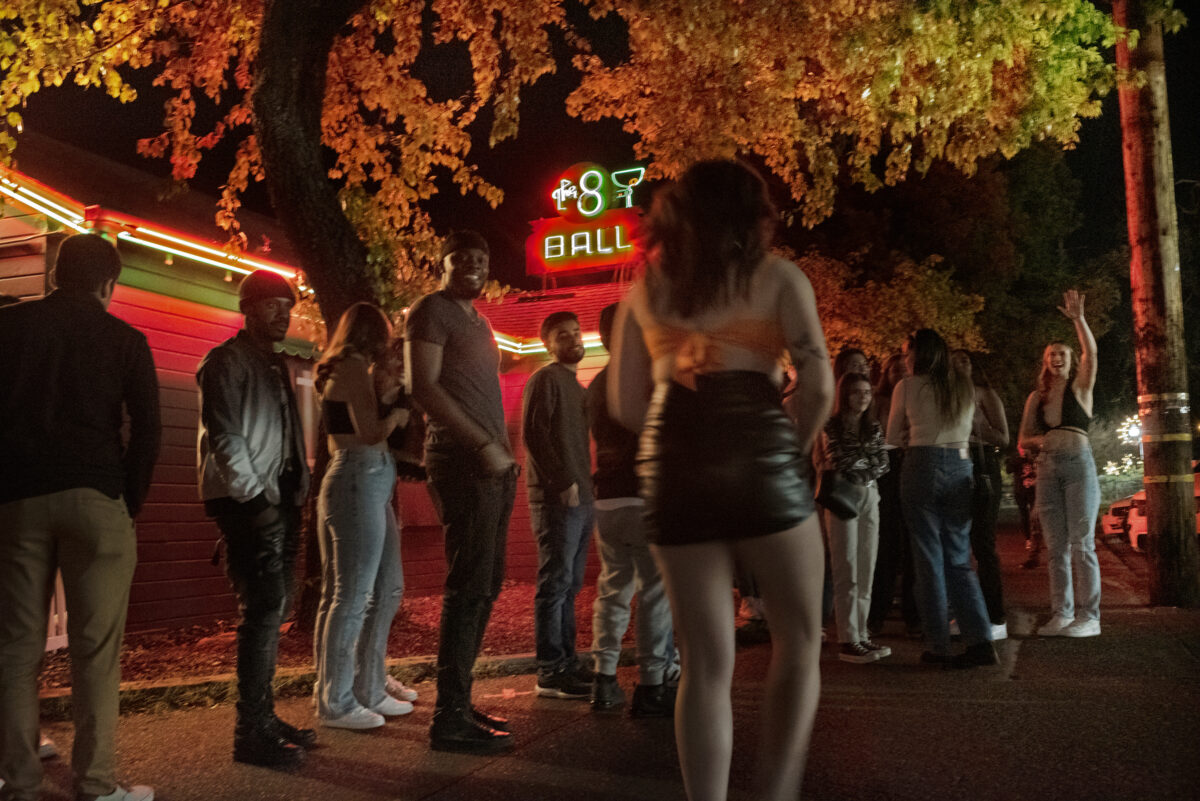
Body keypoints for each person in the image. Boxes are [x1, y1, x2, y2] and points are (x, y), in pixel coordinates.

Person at [609, 159, 833, 801]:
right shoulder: (779, 277)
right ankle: (777, 790)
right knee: (799, 638)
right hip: (759, 442)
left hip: (672, 454)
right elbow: (817, 380)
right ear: (752, 214)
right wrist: (791, 449)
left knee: (705, 663)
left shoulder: (647, 289)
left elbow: (626, 403)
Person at [0, 233, 161, 801]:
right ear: (107, 284)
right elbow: (147, 428)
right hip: (96, 497)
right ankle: (95, 784)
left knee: (16, 646)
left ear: (54, 276)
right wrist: (128, 499)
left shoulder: (9, 329)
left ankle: (18, 782)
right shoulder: (125, 339)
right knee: (95, 649)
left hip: (18, 500)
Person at [196, 269, 313, 768]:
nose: (283, 312)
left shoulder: (273, 364)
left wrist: (296, 489)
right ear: (247, 307)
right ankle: (251, 731)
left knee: (273, 609)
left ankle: (264, 719)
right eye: (272, 304)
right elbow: (225, 435)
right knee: (262, 610)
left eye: (288, 305)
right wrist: (253, 500)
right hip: (251, 503)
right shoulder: (226, 361)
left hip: (280, 499)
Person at [407, 230, 516, 754]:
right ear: (443, 264)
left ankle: (460, 700)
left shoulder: (481, 321)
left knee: (486, 583)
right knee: (468, 582)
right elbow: (423, 386)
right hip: (461, 460)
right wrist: (481, 445)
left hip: (493, 463)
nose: (472, 264)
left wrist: (503, 453)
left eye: (481, 257)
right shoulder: (431, 310)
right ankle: (447, 717)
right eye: (461, 258)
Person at [312, 303, 411, 730]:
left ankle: (366, 685)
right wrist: (397, 416)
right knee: (351, 597)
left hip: (364, 478)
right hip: (359, 477)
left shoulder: (340, 370)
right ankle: (336, 700)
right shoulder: (351, 369)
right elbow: (368, 432)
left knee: (383, 589)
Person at [588, 303, 678, 716]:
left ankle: (604, 677)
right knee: (655, 593)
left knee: (613, 588)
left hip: (607, 498)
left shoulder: (597, 384)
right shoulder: (647, 380)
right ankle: (651, 683)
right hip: (644, 494)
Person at [886, 329, 995, 669]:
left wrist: (912, 434)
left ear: (918, 355)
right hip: (960, 466)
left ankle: (938, 646)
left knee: (928, 560)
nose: (905, 358)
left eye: (908, 352)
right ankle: (980, 641)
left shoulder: (907, 386)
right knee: (960, 559)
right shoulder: (964, 386)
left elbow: (891, 437)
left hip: (922, 464)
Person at [1018, 290, 1101, 638]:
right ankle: (1061, 614)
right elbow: (1023, 439)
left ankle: (1090, 617)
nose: (1057, 357)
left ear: (1070, 360)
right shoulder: (1037, 397)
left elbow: (1091, 352)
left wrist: (1077, 319)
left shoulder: (1080, 387)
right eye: (1051, 353)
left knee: (1082, 543)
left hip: (1078, 465)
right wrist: (1042, 442)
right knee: (1056, 547)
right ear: (1045, 360)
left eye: (1063, 353)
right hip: (1049, 469)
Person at [522, 311, 596, 700]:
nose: (572, 339)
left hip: (583, 498)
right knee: (554, 585)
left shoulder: (576, 387)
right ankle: (549, 670)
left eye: (576, 332)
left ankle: (568, 662)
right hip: (557, 498)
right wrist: (561, 482)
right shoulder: (545, 379)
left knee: (570, 586)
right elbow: (534, 434)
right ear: (549, 345)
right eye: (562, 335)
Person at [816, 373, 890, 663]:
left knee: (866, 566)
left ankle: (862, 633)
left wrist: (863, 465)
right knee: (845, 565)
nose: (862, 397)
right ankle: (848, 637)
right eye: (856, 392)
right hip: (842, 497)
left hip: (869, 496)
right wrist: (865, 463)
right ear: (844, 395)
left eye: (867, 392)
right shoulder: (831, 426)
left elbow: (882, 463)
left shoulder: (872, 426)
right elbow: (838, 460)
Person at [952, 350, 1010, 640]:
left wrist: (978, 427)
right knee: (955, 543)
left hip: (982, 463)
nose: (959, 364)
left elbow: (1004, 437)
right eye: (953, 360)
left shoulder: (985, 394)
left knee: (983, 543)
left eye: (964, 359)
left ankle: (995, 614)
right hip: (953, 465)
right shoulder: (945, 394)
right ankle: (965, 612)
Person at [867, 353, 920, 638]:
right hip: (887, 471)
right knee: (886, 546)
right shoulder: (879, 401)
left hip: (912, 464)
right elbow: (875, 435)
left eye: (904, 370)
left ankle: (914, 615)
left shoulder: (917, 398)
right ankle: (876, 613)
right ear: (886, 374)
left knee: (912, 546)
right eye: (894, 370)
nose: (899, 375)